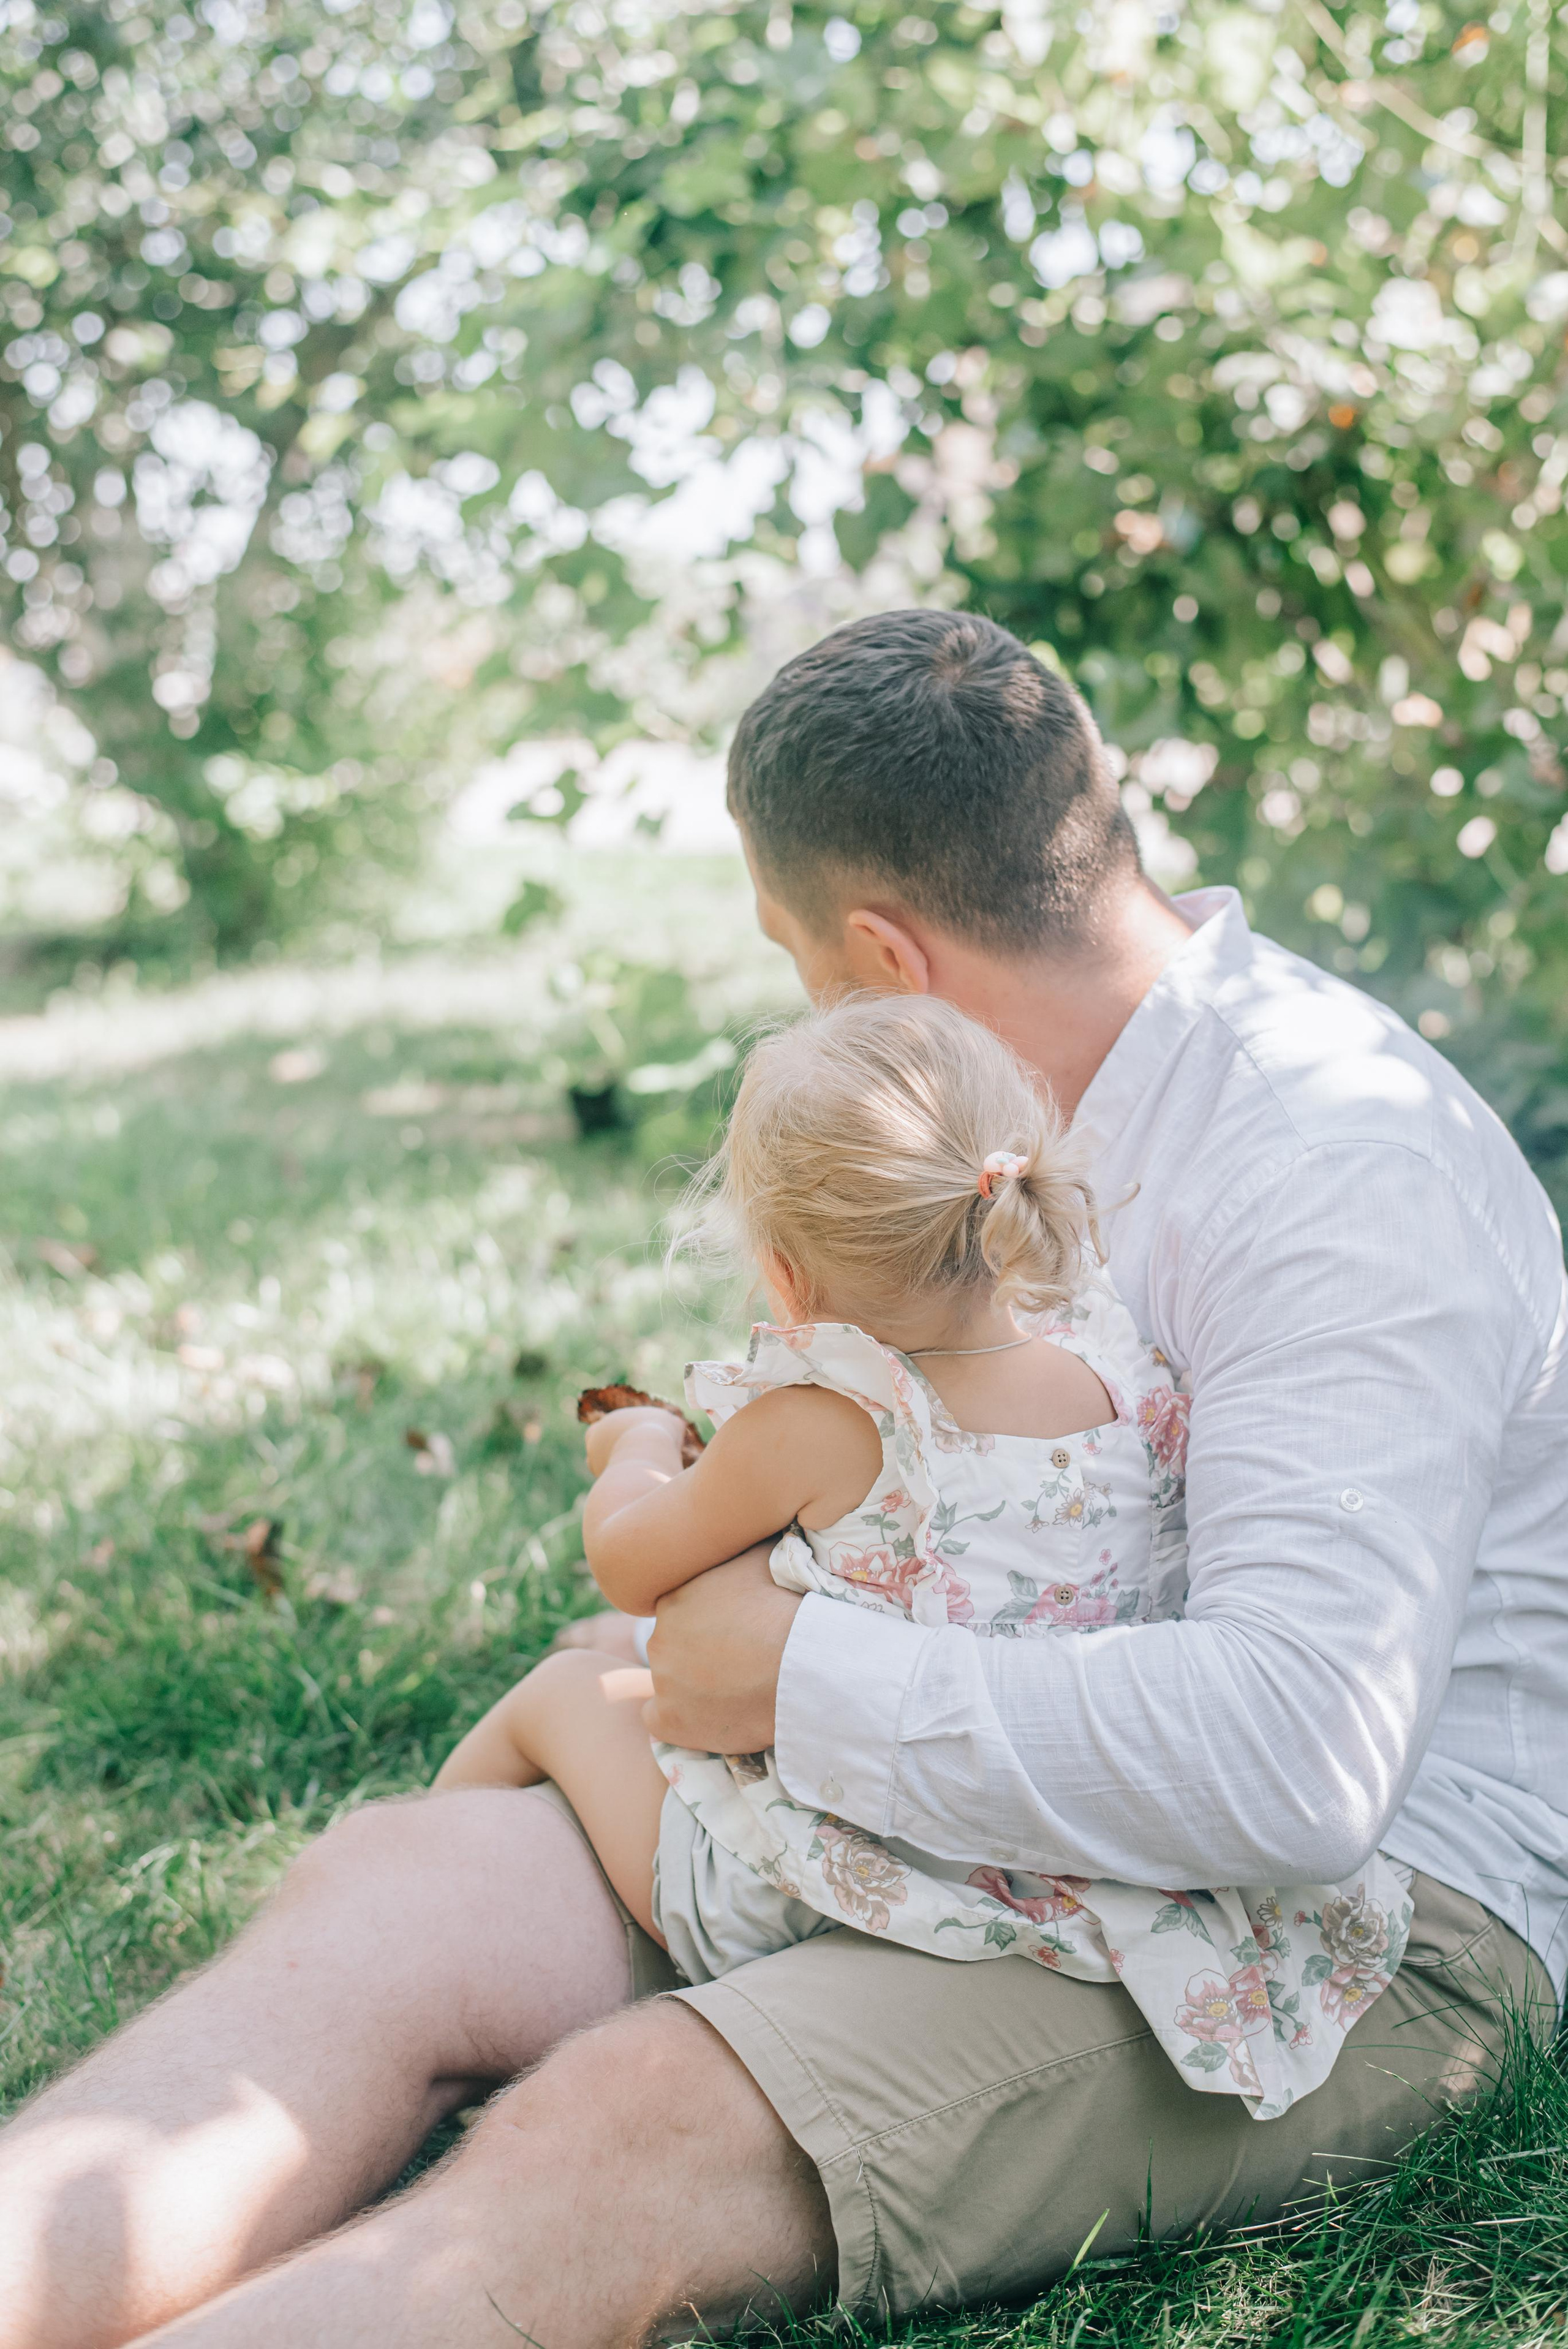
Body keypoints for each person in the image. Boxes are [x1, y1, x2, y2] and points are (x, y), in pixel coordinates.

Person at [0, 611, 1562, 2349]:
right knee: (390, 1899)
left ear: (884, 952)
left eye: (796, 961)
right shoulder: (977, 1131)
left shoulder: (1333, 1168)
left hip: (1357, 1917)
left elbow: (1300, 1760)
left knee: (629, 2126)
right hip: (980, 1820)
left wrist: (799, 1677)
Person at [439, 991, 1414, 2124]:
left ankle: (431, 1899)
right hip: (1062, 1857)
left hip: (823, 1878)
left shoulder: (825, 1420)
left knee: (566, 1688)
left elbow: (628, 1558)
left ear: (787, 1273)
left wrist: (638, 1446)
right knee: (629, 1653)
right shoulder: (1118, 1364)